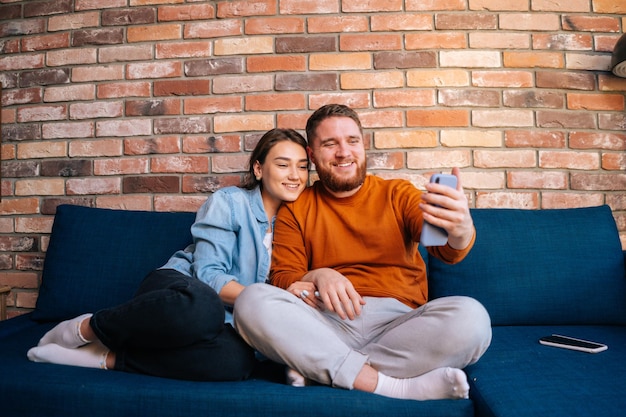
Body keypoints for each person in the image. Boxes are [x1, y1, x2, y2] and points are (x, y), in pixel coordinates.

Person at [233, 104, 492, 400]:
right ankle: (396, 386)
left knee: (473, 319)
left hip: (401, 328)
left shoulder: (398, 194)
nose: (344, 152)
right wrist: (318, 275)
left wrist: (460, 230)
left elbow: (446, 250)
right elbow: (282, 278)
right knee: (251, 300)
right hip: (326, 322)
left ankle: (321, 365)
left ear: (363, 145)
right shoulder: (296, 207)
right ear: (312, 154)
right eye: (330, 144)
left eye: (352, 141)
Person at [27, 128, 310, 381]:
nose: (295, 175)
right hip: (182, 289)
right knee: (203, 307)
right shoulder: (231, 202)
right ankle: (87, 328)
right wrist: (269, 301)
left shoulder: (299, 224)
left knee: (236, 361)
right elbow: (209, 276)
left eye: (302, 167)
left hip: (229, 320)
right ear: (259, 169)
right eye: (283, 165)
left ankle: (101, 357)